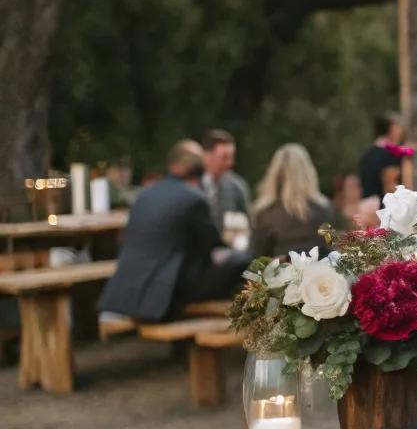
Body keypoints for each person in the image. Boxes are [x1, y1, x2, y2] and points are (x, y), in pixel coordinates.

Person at [99, 140, 249, 323]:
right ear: (199, 174)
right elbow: (213, 245)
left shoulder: (146, 194)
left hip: (127, 290)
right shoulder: (193, 198)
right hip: (162, 293)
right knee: (242, 261)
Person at [251, 144, 335, 259]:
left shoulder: (265, 212)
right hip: (317, 273)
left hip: (280, 273)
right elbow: (329, 247)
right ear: (308, 172)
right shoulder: (323, 208)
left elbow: (257, 257)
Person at [357, 113, 414, 203]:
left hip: (368, 207)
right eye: (399, 127)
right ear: (392, 128)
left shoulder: (367, 155)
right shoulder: (389, 155)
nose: (401, 131)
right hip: (385, 209)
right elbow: (391, 187)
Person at [202, 128, 251, 231]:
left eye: (232, 157)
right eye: (224, 158)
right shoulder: (191, 184)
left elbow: (245, 225)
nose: (230, 163)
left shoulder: (237, 188)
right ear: (207, 156)